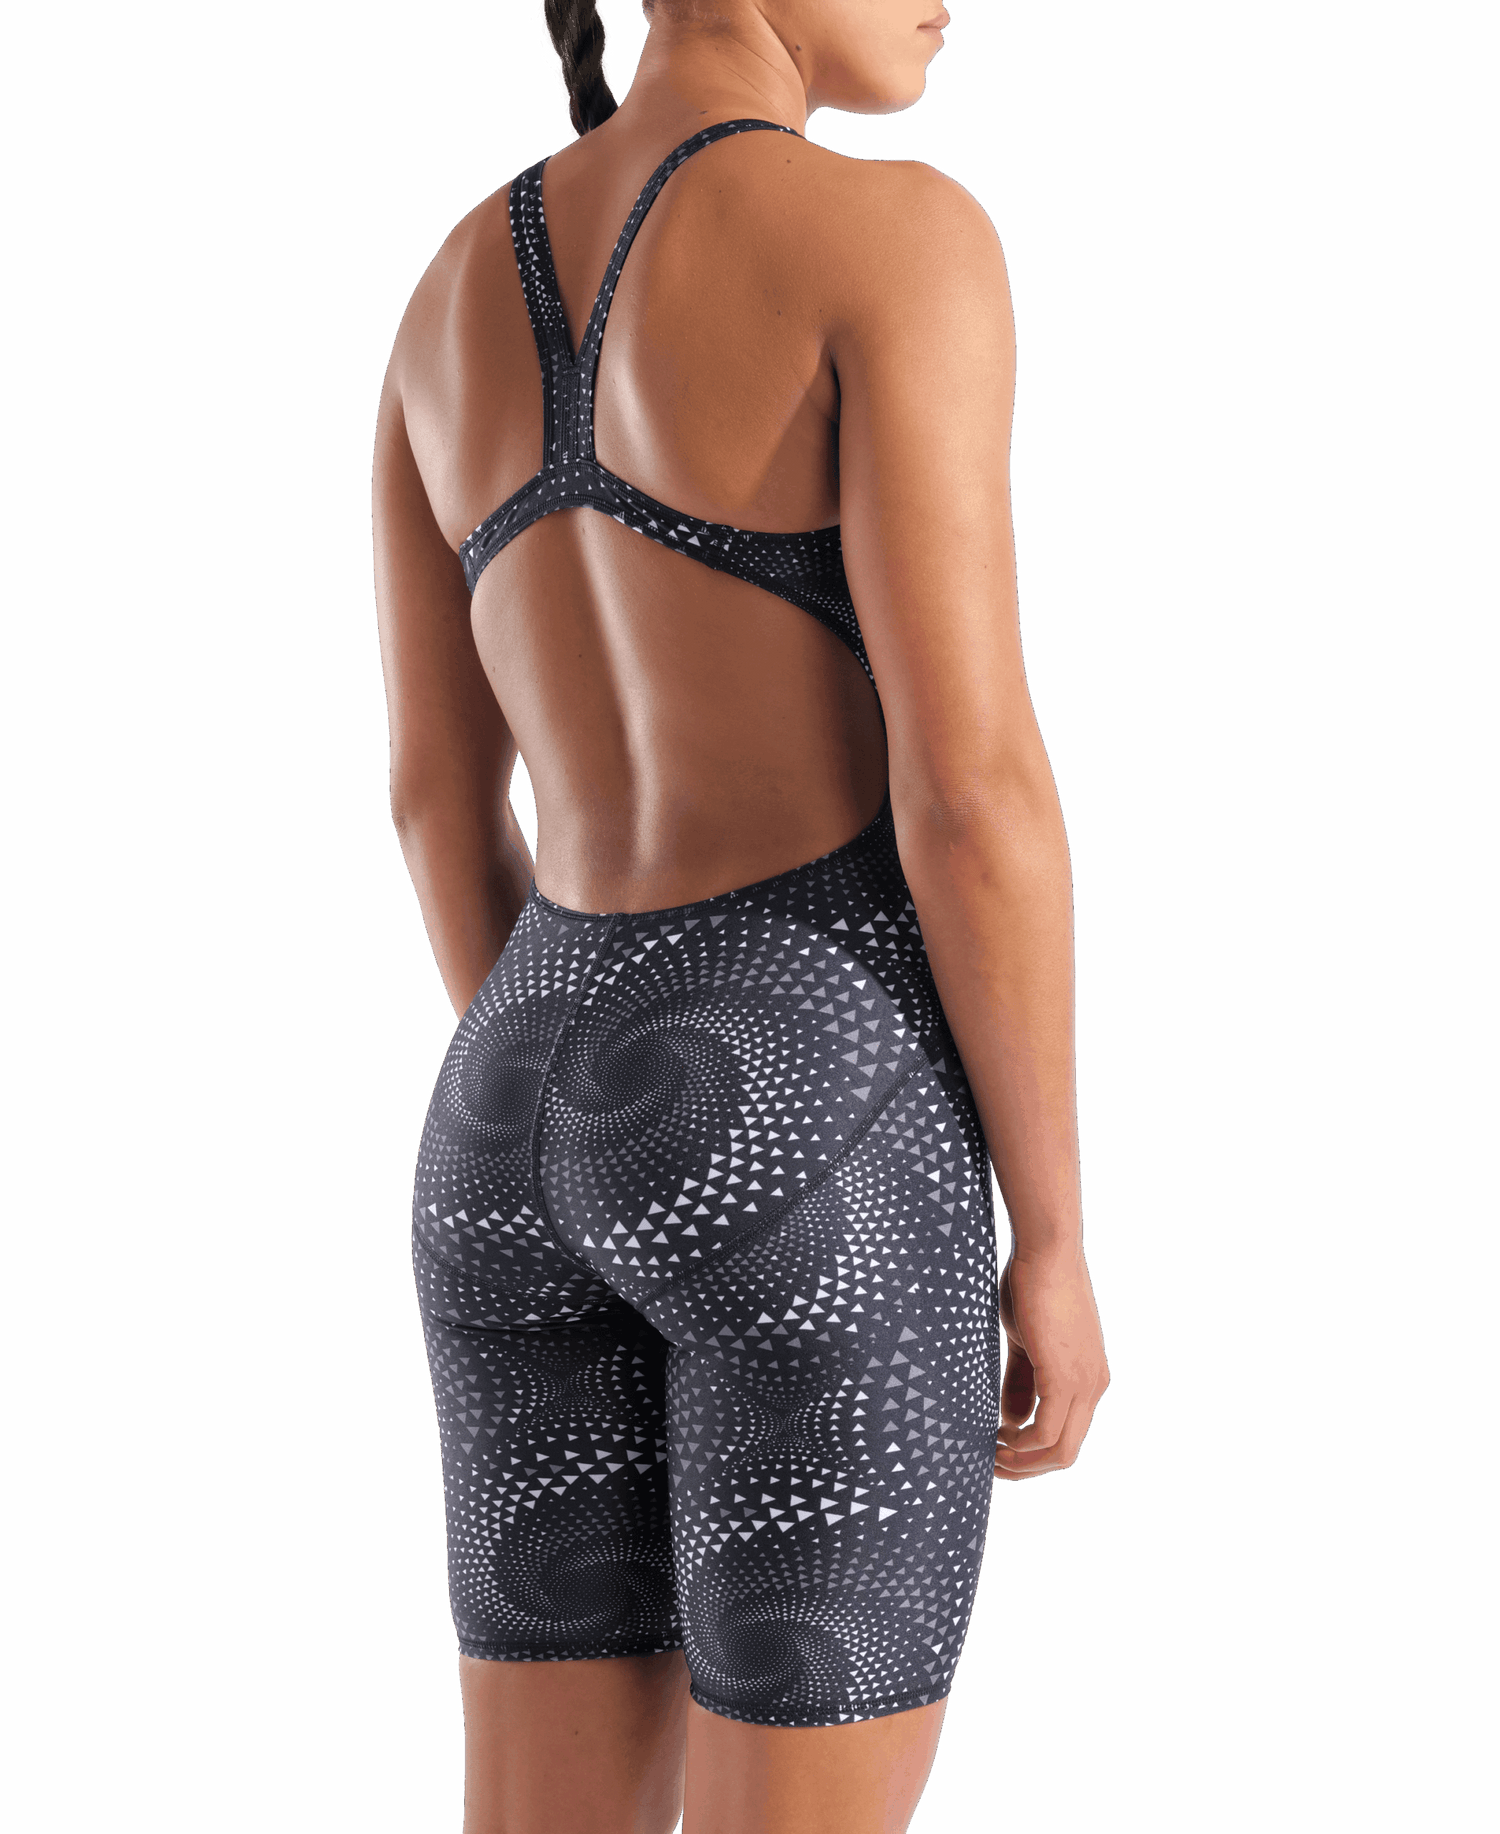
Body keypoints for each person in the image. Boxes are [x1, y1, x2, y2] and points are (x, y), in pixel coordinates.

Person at [370, 1, 1110, 1828]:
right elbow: (970, 796)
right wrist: (1051, 1236)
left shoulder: (449, 291)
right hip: (810, 1103)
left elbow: (440, 799)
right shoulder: (890, 240)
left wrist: (577, 1105)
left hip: (507, 1109)